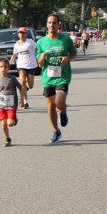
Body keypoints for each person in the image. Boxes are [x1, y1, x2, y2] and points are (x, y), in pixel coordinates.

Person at [36, 13, 77, 144]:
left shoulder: (66, 39)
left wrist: (67, 58)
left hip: (63, 76)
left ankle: (63, 111)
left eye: (54, 22)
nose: (51, 25)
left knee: (59, 103)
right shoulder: (41, 42)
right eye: (49, 22)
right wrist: (42, 58)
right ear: (46, 25)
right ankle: (56, 131)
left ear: (58, 25)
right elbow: (39, 63)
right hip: (48, 77)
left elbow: (73, 53)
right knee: (51, 106)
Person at [0, 59, 24, 147]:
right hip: (1, 105)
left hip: (11, 104)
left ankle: (14, 119)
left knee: (10, 123)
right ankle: (8, 138)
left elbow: (21, 88)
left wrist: (22, 99)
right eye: (1, 67)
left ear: (9, 68)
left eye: (5, 67)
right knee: (3, 123)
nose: (3, 68)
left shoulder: (12, 78)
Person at [10, 27, 38, 109]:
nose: (21, 34)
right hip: (21, 65)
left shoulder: (30, 42)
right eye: (20, 33)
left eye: (23, 33)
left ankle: (26, 88)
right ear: (18, 34)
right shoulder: (16, 44)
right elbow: (14, 54)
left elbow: (37, 49)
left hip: (31, 65)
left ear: (26, 34)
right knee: (22, 82)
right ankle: (25, 101)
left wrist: (38, 58)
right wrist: (9, 63)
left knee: (30, 85)